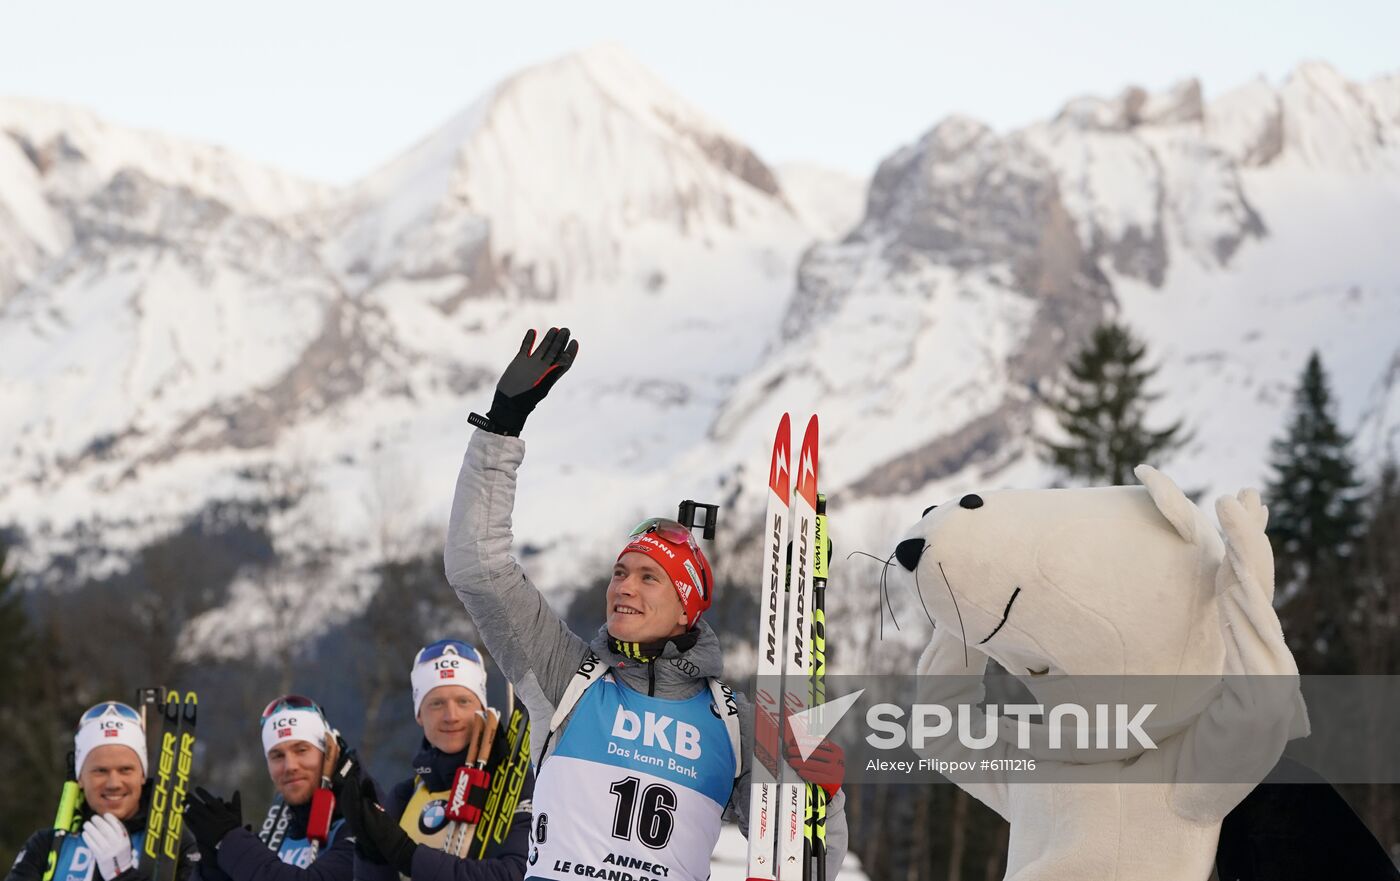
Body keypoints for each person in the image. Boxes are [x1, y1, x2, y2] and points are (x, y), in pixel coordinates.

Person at [440, 327, 848, 881]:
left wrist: (825, 799)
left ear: (687, 608)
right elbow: (478, 568)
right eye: (619, 572)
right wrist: (502, 426)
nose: (624, 586)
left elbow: (805, 868)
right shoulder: (566, 677)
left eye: (649, 577)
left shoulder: (735, 724)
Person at [336, 639, 533, 881]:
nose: (451, 716)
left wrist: (407, 855)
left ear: (482, 708)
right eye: (436, 704)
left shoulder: (517, 783)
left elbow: (516, 874)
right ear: (419, 714)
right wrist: (371, 850)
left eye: (463, 701)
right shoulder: (405, 796)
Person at [6, 701, 197, 881]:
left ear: (142, 775)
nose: (114, 783)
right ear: (80, 777)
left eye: (125, 770)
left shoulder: (173, 844)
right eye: (100, 771)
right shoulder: (48, 844)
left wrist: (123, 875)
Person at [184, 696, 350, 881]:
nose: (290, 766)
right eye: (277, 756)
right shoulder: (275, 835)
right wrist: (214, 869)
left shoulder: (362, 825)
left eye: (301, 750)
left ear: (328, 753)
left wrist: (230, 842)